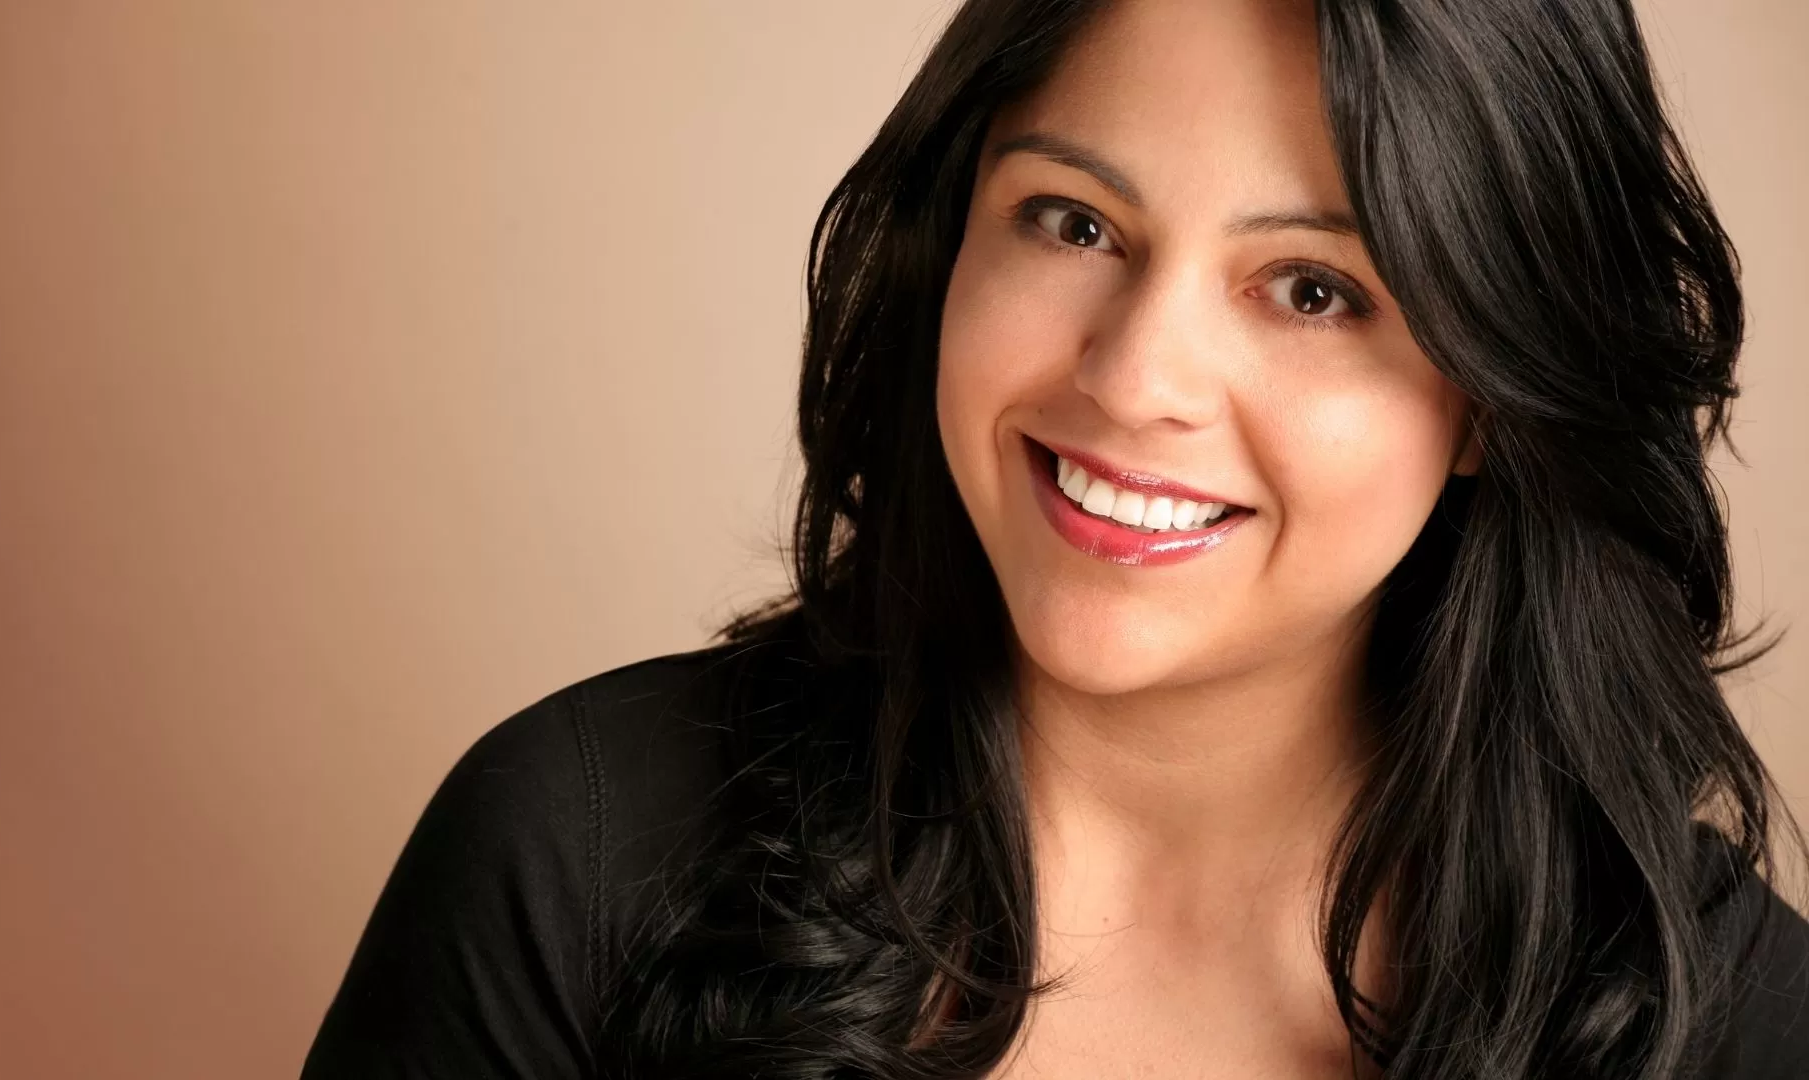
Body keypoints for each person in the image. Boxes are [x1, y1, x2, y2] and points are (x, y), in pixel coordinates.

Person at [300, 0, 1809, 1076]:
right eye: (1074, 222)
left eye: (1314, 291)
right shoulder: (575, 856)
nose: (1134, 379)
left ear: (1496, 392)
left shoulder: (1731, 1020)